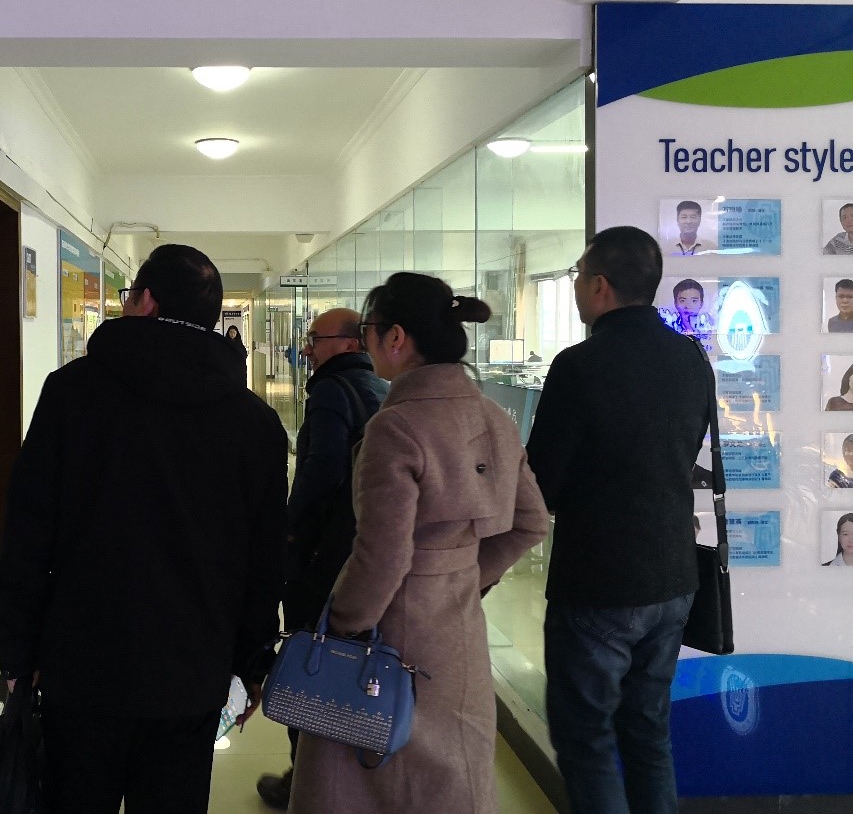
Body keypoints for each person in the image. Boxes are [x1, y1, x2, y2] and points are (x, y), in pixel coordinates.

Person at [0, 244, 288, 814]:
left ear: (146, 301)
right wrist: (253, 662)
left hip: (80, 664)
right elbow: (264, 560)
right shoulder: (255, 424)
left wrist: (18, 650)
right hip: (192, 670)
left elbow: (27, 529)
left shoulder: (71, 393)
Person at [289, 273, 549, 814]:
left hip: (389, 635)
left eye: (369, 329)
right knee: (448, 775)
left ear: (396, 337)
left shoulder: (396, 426)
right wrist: (463, 574)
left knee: (368, 774)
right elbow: (531, 522)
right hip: (458, 632)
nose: (366, 341)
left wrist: (342, 626)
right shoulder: (493, 417)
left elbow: (383, 554)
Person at [526, 226, 711, 814]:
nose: (577, 287)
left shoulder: (579, 365)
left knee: (587, 738)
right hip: (674, 576)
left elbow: (541, 481)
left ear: (599, 285)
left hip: (599, 582)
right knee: (649, 732)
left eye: (578, 277)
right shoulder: (691, 358)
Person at [256, 307, 388, 810]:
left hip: (321, 553)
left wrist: (289, 527)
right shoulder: (379, 389)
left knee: (305, 663)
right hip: (359, 550)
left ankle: (306, 782)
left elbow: (323, 466)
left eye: (316, 338)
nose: (307, 348)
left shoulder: (333, 390)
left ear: (350, 344)